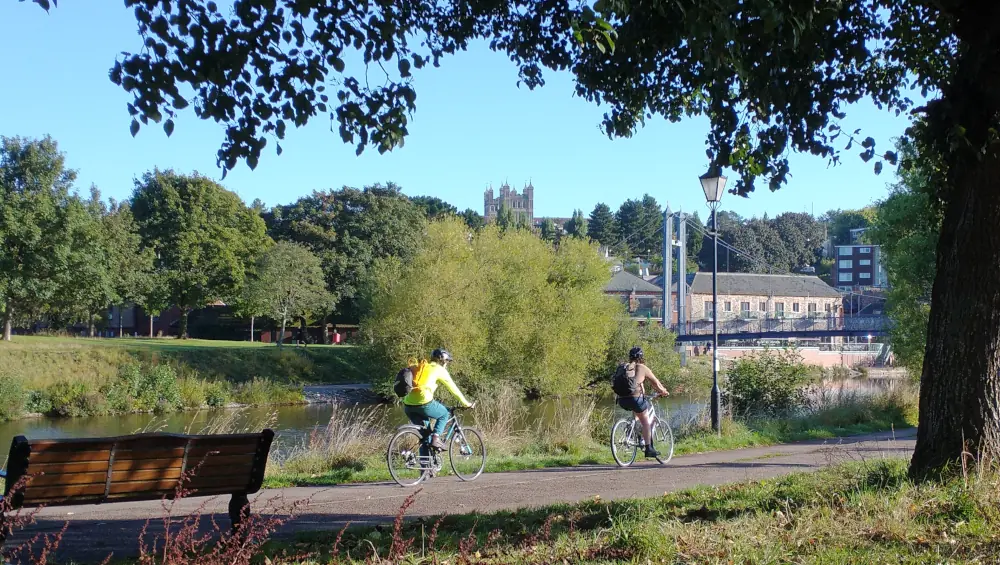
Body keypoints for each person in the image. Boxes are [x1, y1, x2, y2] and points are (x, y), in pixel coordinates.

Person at [402, 348, 474, 450]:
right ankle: (436, 438)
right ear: (443, 361)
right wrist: (466, 403)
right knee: (445, 413)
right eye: (447, 362)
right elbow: (453, 389)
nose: (447, 364)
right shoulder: (440, 370)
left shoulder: (422, 366)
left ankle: (426, 464)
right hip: (424, 403)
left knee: (425, 437)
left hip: (408, 405)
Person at [616, 346, 670, 458]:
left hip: (621, 399)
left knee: (637, 416)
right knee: (646, 422)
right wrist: (663, 391)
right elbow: (656, 383)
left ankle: (632, 433)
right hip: (635, 399)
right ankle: (649, 448)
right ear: (641, 357)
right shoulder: (642, 367)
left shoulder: (625, 367)